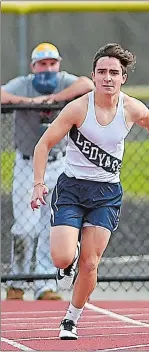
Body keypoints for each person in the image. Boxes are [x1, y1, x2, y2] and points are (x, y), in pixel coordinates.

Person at [30, 43, 149, 340]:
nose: (107, 78)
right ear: (93, 75)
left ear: (123, 78)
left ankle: (70, 319)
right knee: (62, 258)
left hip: (106, 192)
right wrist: (39, 184)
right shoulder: (79, 107)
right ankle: (69, 258)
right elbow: (43, 144)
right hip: (73, 188)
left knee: (91, 263)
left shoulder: (131, 108)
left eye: (113, 73)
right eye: (101, 72)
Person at [1, 42, 94, 301]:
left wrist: (54, 99)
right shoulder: (24, 83)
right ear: (33, 66)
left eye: (52, 63)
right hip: (28, 164)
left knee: (51, 226)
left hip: (58, 162)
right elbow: (3, 94)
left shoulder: (64, 81)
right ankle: (17, 281)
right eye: (43, 64)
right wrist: (32, 102)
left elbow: (87, 85)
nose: (48, 69)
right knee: (24, 227)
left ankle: (45, 284)